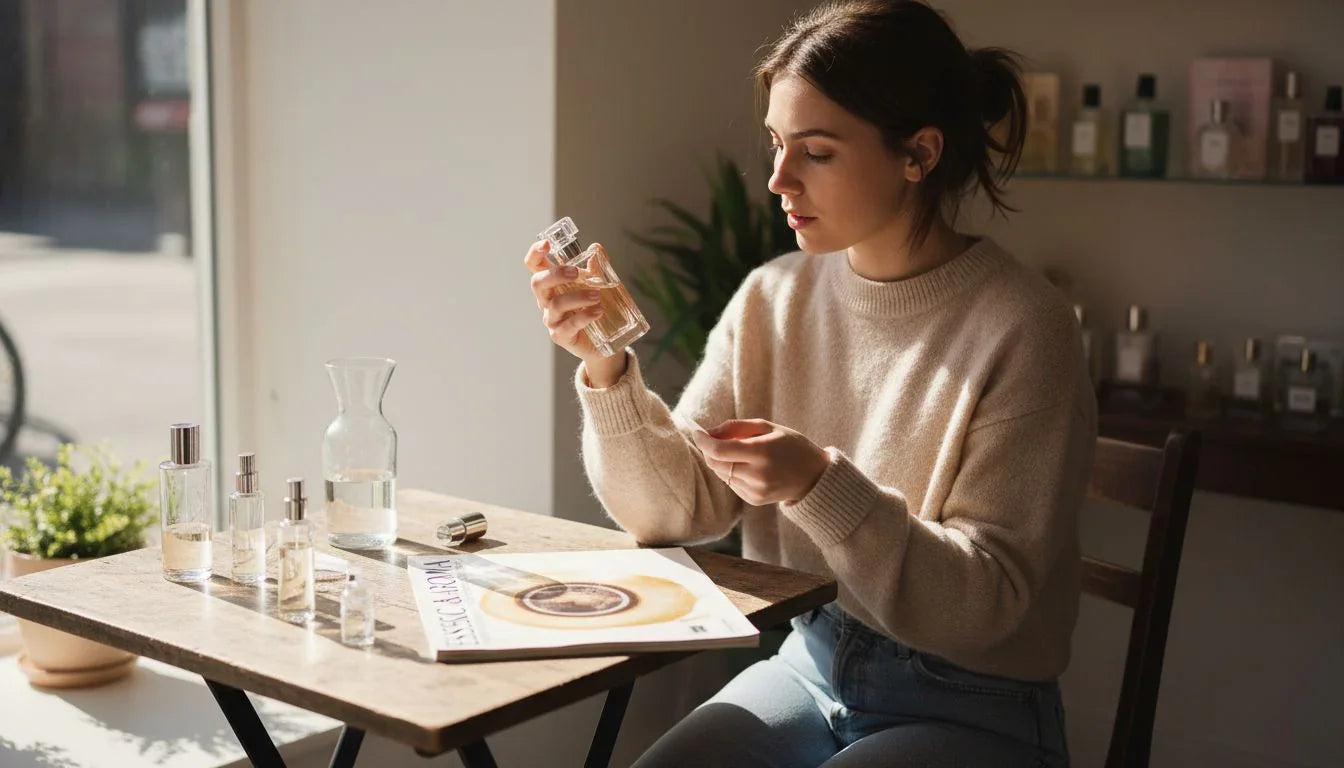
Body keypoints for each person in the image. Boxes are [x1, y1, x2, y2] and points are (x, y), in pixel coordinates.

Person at [523, 1, 1095, 765]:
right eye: (775, 145)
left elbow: (985, 603)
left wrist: (818, 483)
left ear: (919, 153)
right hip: (812, 661)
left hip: (973, 701)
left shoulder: (1026, 326)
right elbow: (673, 510)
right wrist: (604, 365)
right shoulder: (774, 297)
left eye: (816, 152)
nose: (777, 179)